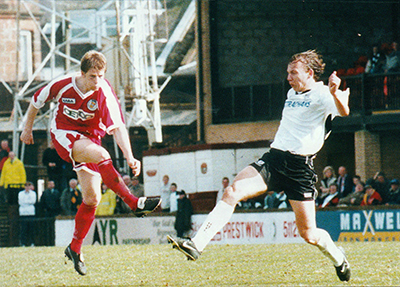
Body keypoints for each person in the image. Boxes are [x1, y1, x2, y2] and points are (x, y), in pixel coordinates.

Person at [167, 50, 351, 282]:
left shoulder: (323, 94)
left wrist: (336, 94)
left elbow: (344, 110)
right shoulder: (292, 92)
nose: (289, 77)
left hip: (299, 169)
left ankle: (338, 258)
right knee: (232, 191)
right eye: (288, 72)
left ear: (309, 73)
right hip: (274, 160)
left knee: (309, 234)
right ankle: (197, 244)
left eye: (293, 72)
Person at [20, 50, 161, 275]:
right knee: (102, 155)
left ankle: (75, 248)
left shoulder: (105, 91)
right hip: (64, 133)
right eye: (93, 76)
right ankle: (134, 203)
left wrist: (130, 156)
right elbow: (36, 101)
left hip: (90, 139)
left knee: (92, 198)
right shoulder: (63, 85)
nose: (97, 81)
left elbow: (118, 128)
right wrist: (27, 129)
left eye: (101, 76)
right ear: (83, 74)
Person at [18, 181, 36, 246]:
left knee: (31, 229)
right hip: (23, 214)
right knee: (23, 229)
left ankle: (32, 243)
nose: (27, 187)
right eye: (26, 185)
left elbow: (33, 201)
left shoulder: (33, 193)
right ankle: (23, 243)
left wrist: (25, 202)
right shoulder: (20, 193)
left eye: (28, 185)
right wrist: (28, 202)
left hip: (31, 213)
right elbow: (20, 202)